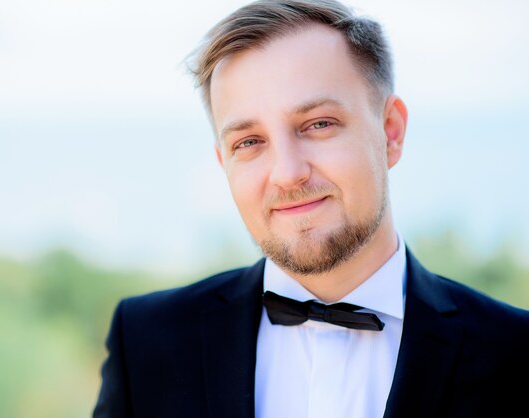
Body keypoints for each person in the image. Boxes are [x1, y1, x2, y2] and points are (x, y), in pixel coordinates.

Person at [92, 1, 529, 417]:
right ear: (224, 162)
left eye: (318, 125)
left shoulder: (514, 352)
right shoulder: (146, 344)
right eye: (249, 142)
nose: (286, 173)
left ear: (390, 132)